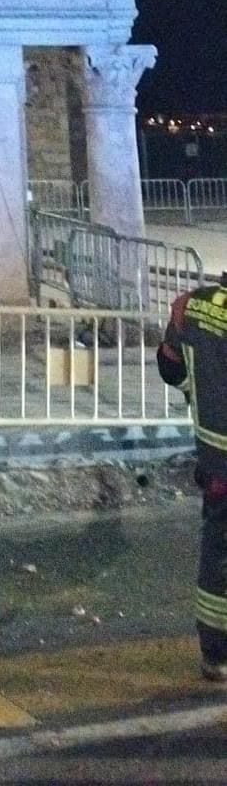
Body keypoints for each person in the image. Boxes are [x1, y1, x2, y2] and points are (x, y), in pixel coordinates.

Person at [157, 274, 227, 681]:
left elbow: (170, 367)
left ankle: (215, 654)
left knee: (217, 549)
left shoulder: (190, 306)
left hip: (214, 456)